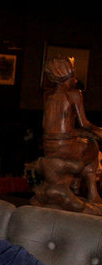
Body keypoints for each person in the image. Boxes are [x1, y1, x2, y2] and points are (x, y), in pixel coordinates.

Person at [29, 55, 102, 213]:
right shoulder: (74, 94)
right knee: (93, 148)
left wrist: (78, 133)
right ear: (70, 75)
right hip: (66, 147)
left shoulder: (47, 95)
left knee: (85, 142)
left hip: (48, 146)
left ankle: (75, 184)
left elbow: (51, 127)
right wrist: (98, 130)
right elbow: (85, 123)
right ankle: (92, 193)